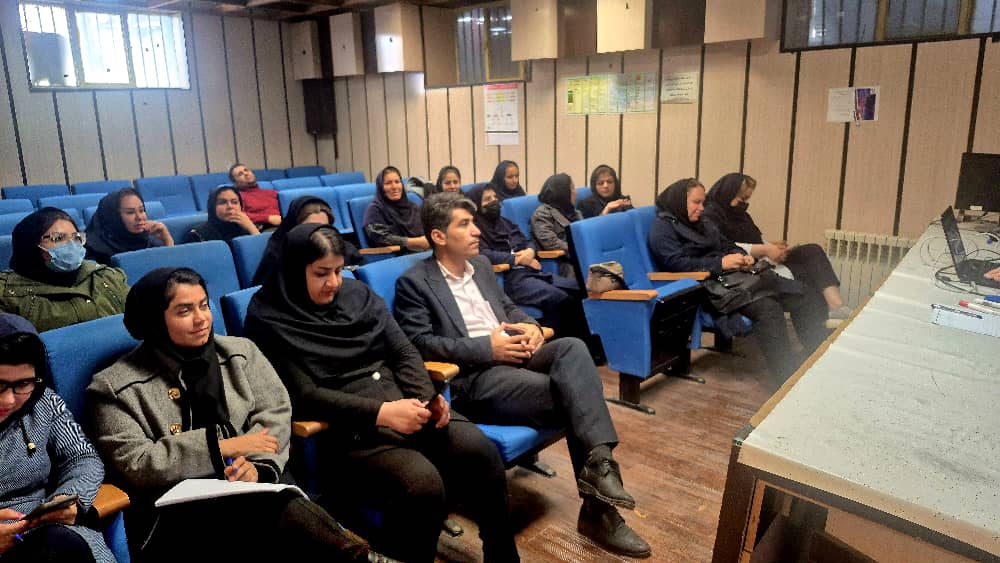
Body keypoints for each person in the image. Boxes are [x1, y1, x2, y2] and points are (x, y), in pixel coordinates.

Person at [394, 192, 652, 559]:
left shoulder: (481, 266)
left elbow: (508, 308)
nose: (476, 230)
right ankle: (599, 510)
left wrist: (531, 326)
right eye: (464, 224)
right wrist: (487, 349)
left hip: (514, 357)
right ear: (438, 236)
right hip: (475, 376)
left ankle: (599, 470)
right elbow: (419, 343)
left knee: (572, 347)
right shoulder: (415, 282)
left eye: (473, 222)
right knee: (575, 394)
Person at [244, 224, 518, 563]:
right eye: (321, 273)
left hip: (404, 404)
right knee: (422, 485)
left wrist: (427, 399)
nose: (334, 282)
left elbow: (402, 351)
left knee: (480, 452)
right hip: (345, 428)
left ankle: (502, 555)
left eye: (338, 270)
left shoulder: (357, 294)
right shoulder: (268, 316)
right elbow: (304, 395)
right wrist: (383, 413)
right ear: (294, 269)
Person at [86, 268, 383, 563]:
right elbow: (136, 463)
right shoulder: (115, 387)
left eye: (204, 305)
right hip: (178, 514)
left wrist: (258, 467)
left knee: (277, 509)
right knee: (279, 514)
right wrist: (222, 447)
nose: (201, 318)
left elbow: (275, 412)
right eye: (184, 311)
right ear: (154, 320)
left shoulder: (240, 352)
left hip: (257, 482)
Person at [648, 178, 829, 383]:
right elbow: (677, 265)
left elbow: (726, 243)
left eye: (703, 202)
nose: (702, 208)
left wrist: (742, 255)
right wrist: (720, 263)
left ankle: (818, 359)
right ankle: (787, 380)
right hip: (711, 287)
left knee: (803, 293)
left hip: (739, 277)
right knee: (769, 309)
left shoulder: (703, 222)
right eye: (696, 202)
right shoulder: (662, 228)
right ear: (680, 202)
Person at [0, 313, 115, 562]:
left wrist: (66, 499)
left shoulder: (43, 402)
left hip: (45, 525)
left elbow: (82, 457)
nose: (8, 400)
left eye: (23, 384)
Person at [701, 173, 852, 320]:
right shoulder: (710, 215)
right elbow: (723, 245)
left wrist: (774, 249)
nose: (742, 202)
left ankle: (835, 305)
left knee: (812, 251)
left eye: (746, 199)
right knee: (806, 282)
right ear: (728, 191)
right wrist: (766, 250)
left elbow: (757, 238)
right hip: (745, 268)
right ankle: (819, 330)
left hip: (763, 259)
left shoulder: (742, 216)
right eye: (740, 197)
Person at [466, 183, 587, 339]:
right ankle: (558, 342)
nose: (494, 201)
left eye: (495, 197)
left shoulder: (504, 222)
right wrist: (518, 260)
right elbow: (484, 254)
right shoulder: (475, 230)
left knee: (580, 289)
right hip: (510, 280)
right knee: (558, 298)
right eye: (487, 199)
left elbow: (527, 241)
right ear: (476, 204)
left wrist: (530, 251)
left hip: (534, 272)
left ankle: (587, 343)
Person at [0, 208, 128, 332]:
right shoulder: (6, 297)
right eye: (58, 238)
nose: (72, 245)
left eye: (76, 237)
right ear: (31, 246)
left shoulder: (106, 276)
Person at [252, 195, 362, 287]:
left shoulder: (343, 247)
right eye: (310, 227)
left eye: (323, 228)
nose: (318, 233)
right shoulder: (277, 254)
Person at [85, 188, 174, 265]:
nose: (139, 217)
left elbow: (172, 271)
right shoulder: (93, 254)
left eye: (142, 210)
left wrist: (168, 239)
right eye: (130, 212)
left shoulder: (148, 241)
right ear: (114, 217)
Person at [362, 165, 430, 251]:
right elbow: (381, 238)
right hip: (397, 254)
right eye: (388, 183)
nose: (394, 187)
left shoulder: (412, 207)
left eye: (397, 182)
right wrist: (416, 242)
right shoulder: (375, 210)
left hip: (423, 250)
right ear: (380, 187)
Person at [531, 173, 583, 279]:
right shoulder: (542, 214)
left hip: (582, 257)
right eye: (572, 188)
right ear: (562, 192)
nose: (576, 192)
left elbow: (584, 235)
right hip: (564, 262)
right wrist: (579, 248)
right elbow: (551, 243)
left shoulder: (575, 212)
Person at [182, 185, 260, 243]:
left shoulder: (247, 228)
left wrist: (252, 228)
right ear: (212, 207)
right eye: (222, 202)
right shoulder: (198, 235)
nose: (230, 206)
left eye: (234, 202)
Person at [229, 163, 281, 229]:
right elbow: (237, 214)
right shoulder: (238, 197)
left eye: (246, 170)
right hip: (268, 227)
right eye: (240, 174)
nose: (246, 173)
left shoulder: (271, 192)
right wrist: (268, 218)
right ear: (235, 183)